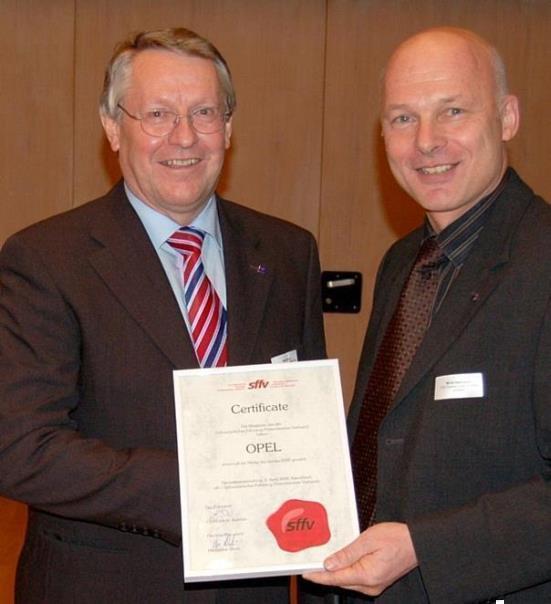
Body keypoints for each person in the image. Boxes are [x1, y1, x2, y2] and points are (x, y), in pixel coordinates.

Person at [0, 27, 326, 603]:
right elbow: (22, 449)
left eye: (204, 112)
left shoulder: (288, 252)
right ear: (112, 129)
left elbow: (307, 425)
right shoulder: (45, 261)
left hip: (257, 588)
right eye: (156, 113)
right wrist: (199, 484)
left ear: (228, 127)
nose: (184, 136)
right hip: (106, 587)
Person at [303, 27, 551, 603]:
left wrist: (425, 546)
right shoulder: (401, 264)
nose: (427, 142)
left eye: (454, 111)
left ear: (508, 117)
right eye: (403, 119)